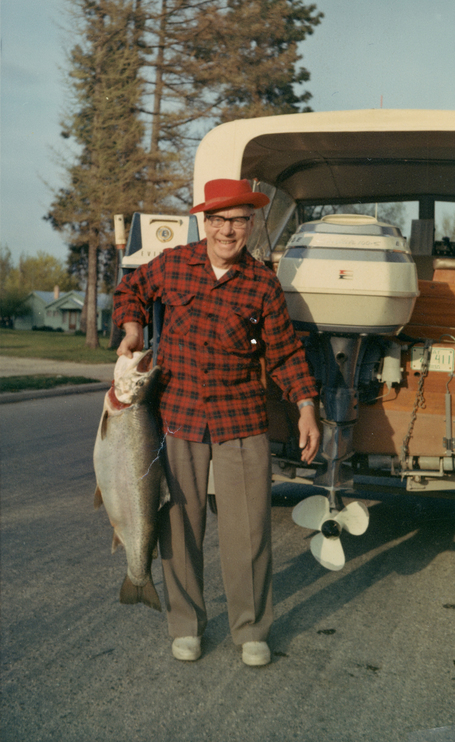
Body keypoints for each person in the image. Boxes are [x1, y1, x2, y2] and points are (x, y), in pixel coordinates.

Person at [113, 178, 320, 666]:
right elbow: (130, 290)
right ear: (205, 223)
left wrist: (307, 406)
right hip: (177, 414)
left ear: (252, 226)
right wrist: (132, 327)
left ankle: (250, 630)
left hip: (242, 417)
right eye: (220, 220)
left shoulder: (262, 283)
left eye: (240, 220)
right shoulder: (172, 264)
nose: (229, 230)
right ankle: (186, 625)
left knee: (248, 530)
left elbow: (286, 352)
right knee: (178, 525)